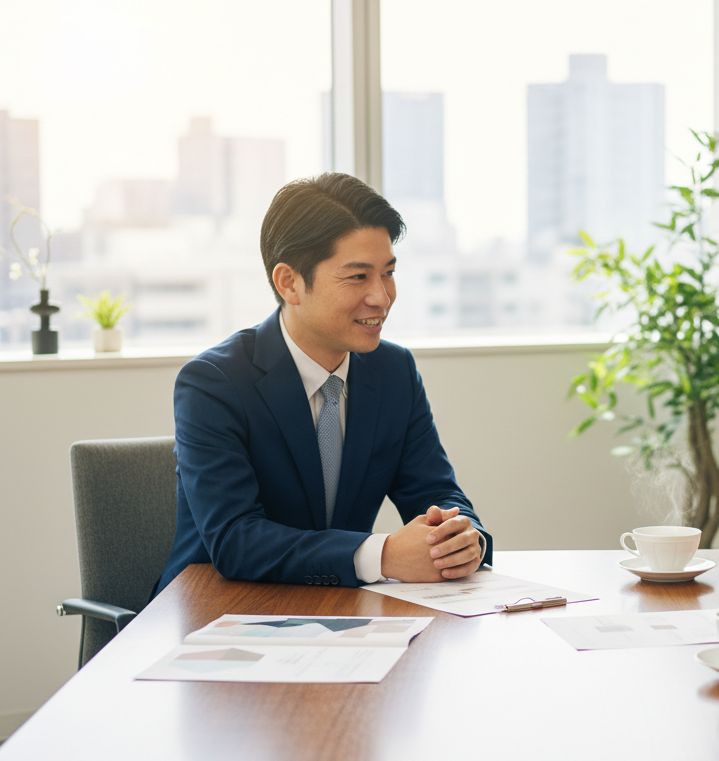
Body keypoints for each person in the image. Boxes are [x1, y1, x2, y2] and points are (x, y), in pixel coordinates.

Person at [156, 173, 492, 595]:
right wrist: (383, 555)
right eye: (357, 277)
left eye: (387, 273)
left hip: (340, 613)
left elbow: (437, 491)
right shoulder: (213, 383)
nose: (382, 297)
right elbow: (235, 540)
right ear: (289, 282)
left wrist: (462, 538)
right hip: (216, 612)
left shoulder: (394, 372)